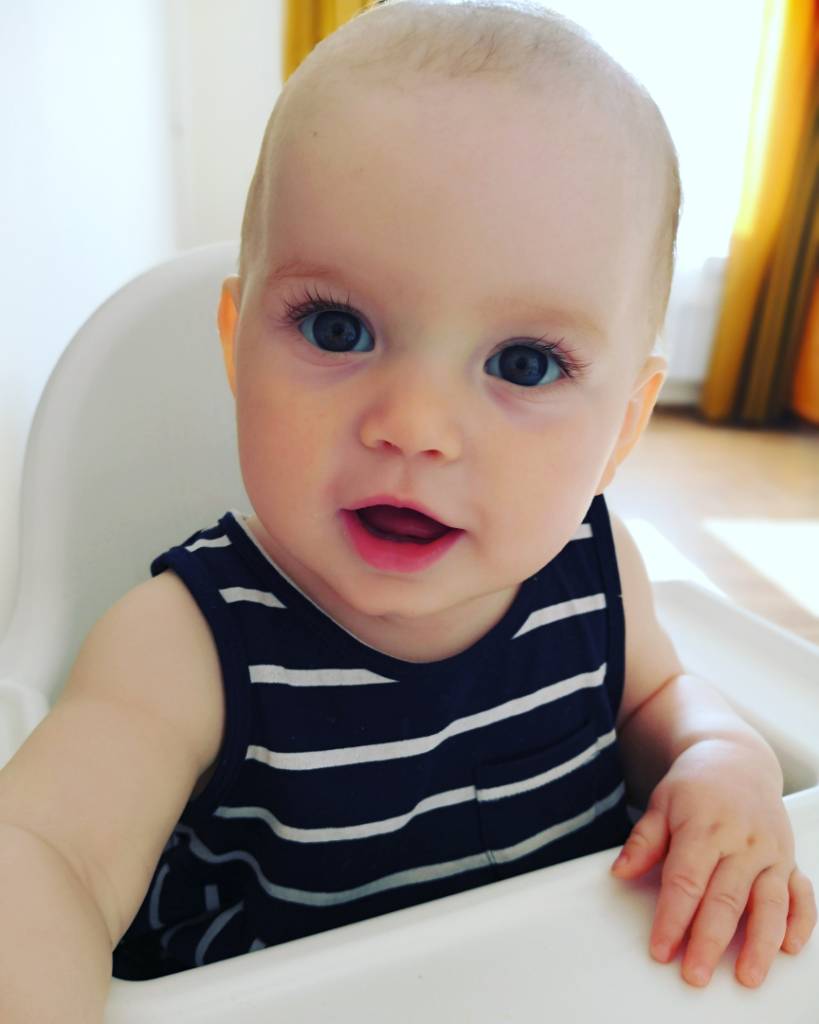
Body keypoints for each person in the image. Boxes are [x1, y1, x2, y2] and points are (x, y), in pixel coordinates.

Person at [0, 0, 815, 1018]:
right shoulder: (186, 644)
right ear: (236, 345)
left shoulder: (594, 569)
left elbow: (662, 701)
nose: (415, 427)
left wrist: (723, 761)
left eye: (524, 363)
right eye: (337, 329)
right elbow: (48, 852)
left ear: (623, 425)